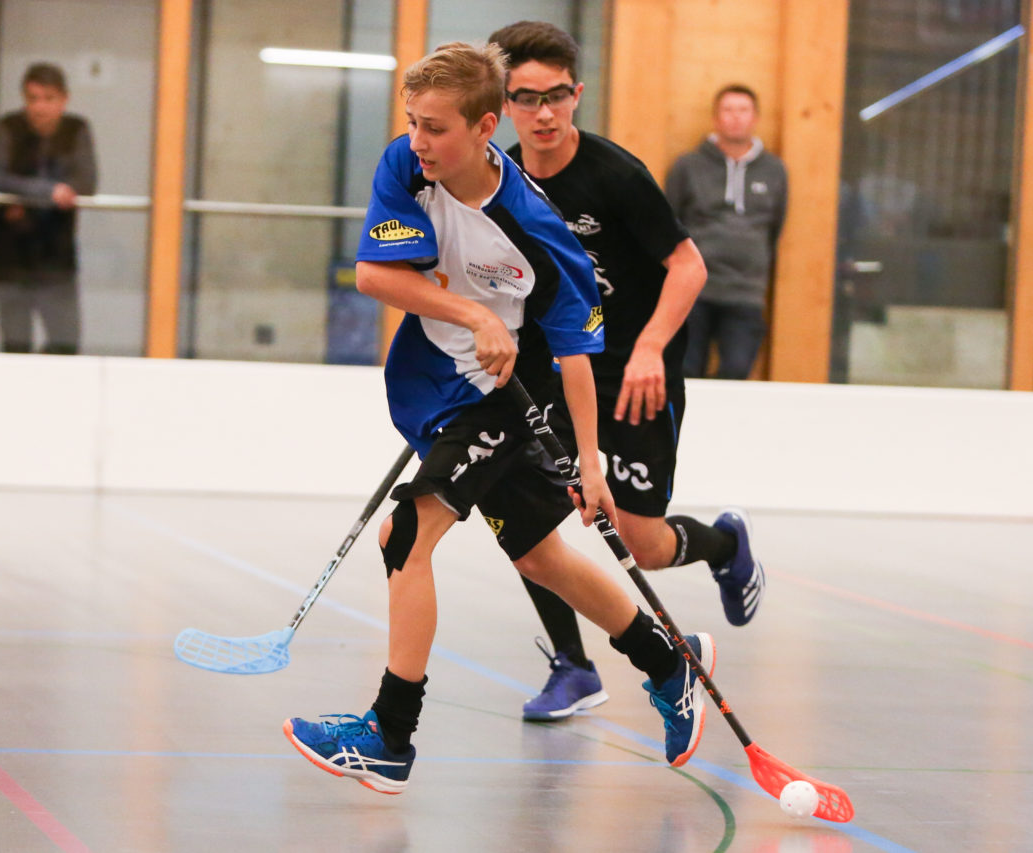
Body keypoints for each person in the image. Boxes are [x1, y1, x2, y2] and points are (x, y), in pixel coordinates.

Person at [282, 42, 716, 795]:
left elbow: (577, 352)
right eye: (413, 123)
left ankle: (390, 735)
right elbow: (375, 275)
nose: (419, 142)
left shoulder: (542, 235)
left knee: (406, 533)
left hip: (517, 394)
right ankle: (669, 661)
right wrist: (471, 314)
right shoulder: (404, 165)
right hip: (445, 383)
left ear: (485, 128)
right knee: (540, 557)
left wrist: (590, 461)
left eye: (436, 128)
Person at [485, 21, 765, 723]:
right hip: (558, 372)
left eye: (556, 96)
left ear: (577, 94)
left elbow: (688, 266)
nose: (543, 113)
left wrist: (648, 349)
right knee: (530, 523)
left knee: (640, 540)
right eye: (526, 98)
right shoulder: (505, 180)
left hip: (639, 374)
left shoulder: (616, 176)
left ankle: (725, 543)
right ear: (504, 102)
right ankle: (574, 666)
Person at [665, 84, 787, 380]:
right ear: (716, 118)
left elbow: (775, 226)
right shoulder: (687, 166)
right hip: (693, 290)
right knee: (687, 370)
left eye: (743, 110)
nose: (735, 118)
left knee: (736, 371)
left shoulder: (774, 169)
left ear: (755, 117)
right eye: (728, 110)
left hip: (746, 293)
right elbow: (668, 223)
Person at [0, 62, 97, 355]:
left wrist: (22, 199)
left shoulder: (76, 129)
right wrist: (48, 192)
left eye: (48, 99)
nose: (39, 108)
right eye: (32, 99)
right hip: (9, 259)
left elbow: (86, 181)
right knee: (15, 347)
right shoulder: (8, 127)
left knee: (65, 345)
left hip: (56, 259)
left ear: (64, 99)